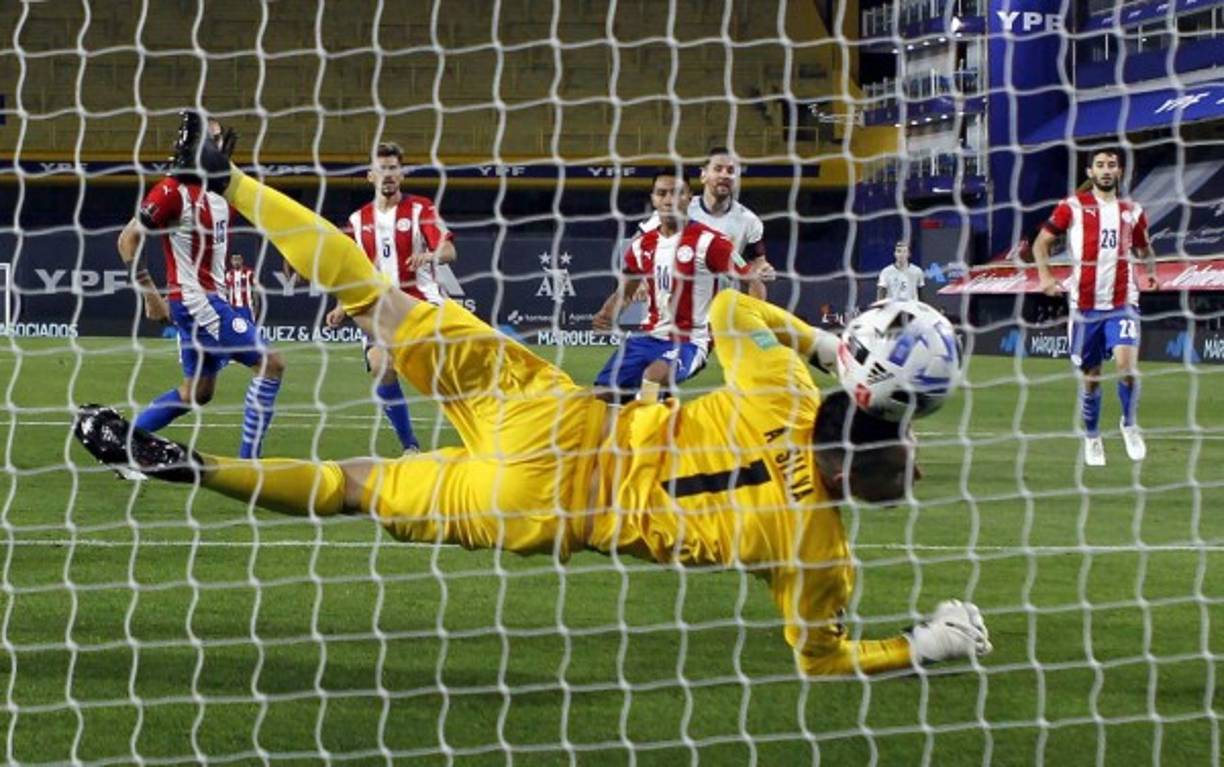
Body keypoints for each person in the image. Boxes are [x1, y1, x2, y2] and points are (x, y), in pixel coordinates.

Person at [76, 112, 991, 677]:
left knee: (376, 299)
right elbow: (821, 659)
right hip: (548, 508)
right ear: (870, 460)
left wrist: (826, 342)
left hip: (548, 413)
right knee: (354, 485)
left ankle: (223, 177)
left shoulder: (784, 390)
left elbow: (737, 313)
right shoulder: (822, 555)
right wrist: (924, 644)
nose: (912, 476)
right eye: (906, 468)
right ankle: (191, 465)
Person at [116, 118, 285, 461]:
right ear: (197, 146)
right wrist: (150, 294)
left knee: (198, 392)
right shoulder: (171, 190)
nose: (223, 147)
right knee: (272, 364)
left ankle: (124, 446)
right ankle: (248, 463)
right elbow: (128, 239)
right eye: (216, 139)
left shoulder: (221, 192)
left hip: (207, 302)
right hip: (197, 302)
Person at [592, 170, 775, 401]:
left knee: (655, 375)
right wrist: (608, 313)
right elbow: (626, 291)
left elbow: (753, 281)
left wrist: (752, 325)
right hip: (649, 337)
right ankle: (647, 424)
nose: (669, 200)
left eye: (677, 193)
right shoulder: (640, 246)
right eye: (662, 193)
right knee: (602, 394)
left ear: (689, 197)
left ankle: (648, 427)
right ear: (653, 198)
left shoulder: (712, 242)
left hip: (692, 341)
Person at [323, 142, 457, 453]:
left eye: (393, 168)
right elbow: (356, 271)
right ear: (370, 176)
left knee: (443, 371)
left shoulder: (421, 209)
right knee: (379, 364)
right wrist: (341, 305)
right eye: (381, 169)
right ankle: (409, 445)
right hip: (380, 309)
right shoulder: (357, 221)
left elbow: (450, 250)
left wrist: (430, 255)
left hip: (422, 304)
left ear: (402, 174)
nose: (388, 175)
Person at [1032, 147, 1157, 467]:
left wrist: (1152, 272)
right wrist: (1045, 276)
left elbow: (1145, 247)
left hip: (1122, 302)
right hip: (1085, 307)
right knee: (1091, 378)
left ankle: (1129, 424)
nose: (1105, 170)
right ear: (1090, 172)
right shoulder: (1071, 207)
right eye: (1099, 165)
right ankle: (1092, 437)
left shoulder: (1133, 210)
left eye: (1111, 165)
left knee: (1127, 369)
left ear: (1119, 172)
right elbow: (1041, 243)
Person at [637, 147, 770, 300]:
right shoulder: (679, 208)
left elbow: (755, 263)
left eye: (730, 170)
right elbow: (639, 245)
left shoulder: (749, 221)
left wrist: (763, 269)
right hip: (676, 306)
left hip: (722, 308)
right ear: (703, 175)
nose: (724, 175)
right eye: (718, 169)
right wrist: (641, 279)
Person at [223, 252, 259, 322]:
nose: (236, 262)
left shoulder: (249, 273)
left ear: (242, 260)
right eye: (234, 260)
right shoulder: (229, 274)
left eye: (238, 259)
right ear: (231, 261)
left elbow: (255, 290)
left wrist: (256, 305)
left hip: (246, 307)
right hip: (233, 308)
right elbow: (226, 291)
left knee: (249, 329)